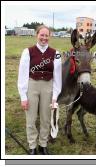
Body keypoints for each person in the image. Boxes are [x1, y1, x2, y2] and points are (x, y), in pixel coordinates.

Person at [17, 25, 62, 155]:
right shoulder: (28, 52)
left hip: (48, 86)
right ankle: (32, 145)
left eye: (46, 35)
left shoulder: (56, 54)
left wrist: (55, 96)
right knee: (30, 118)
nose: (44, 38)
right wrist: (23, 97)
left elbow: (57, 77)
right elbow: (22, 75)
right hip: (32, 85)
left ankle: (43, 145)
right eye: (41, 35)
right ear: (37, 35)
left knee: (46, 118)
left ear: (50, 36)